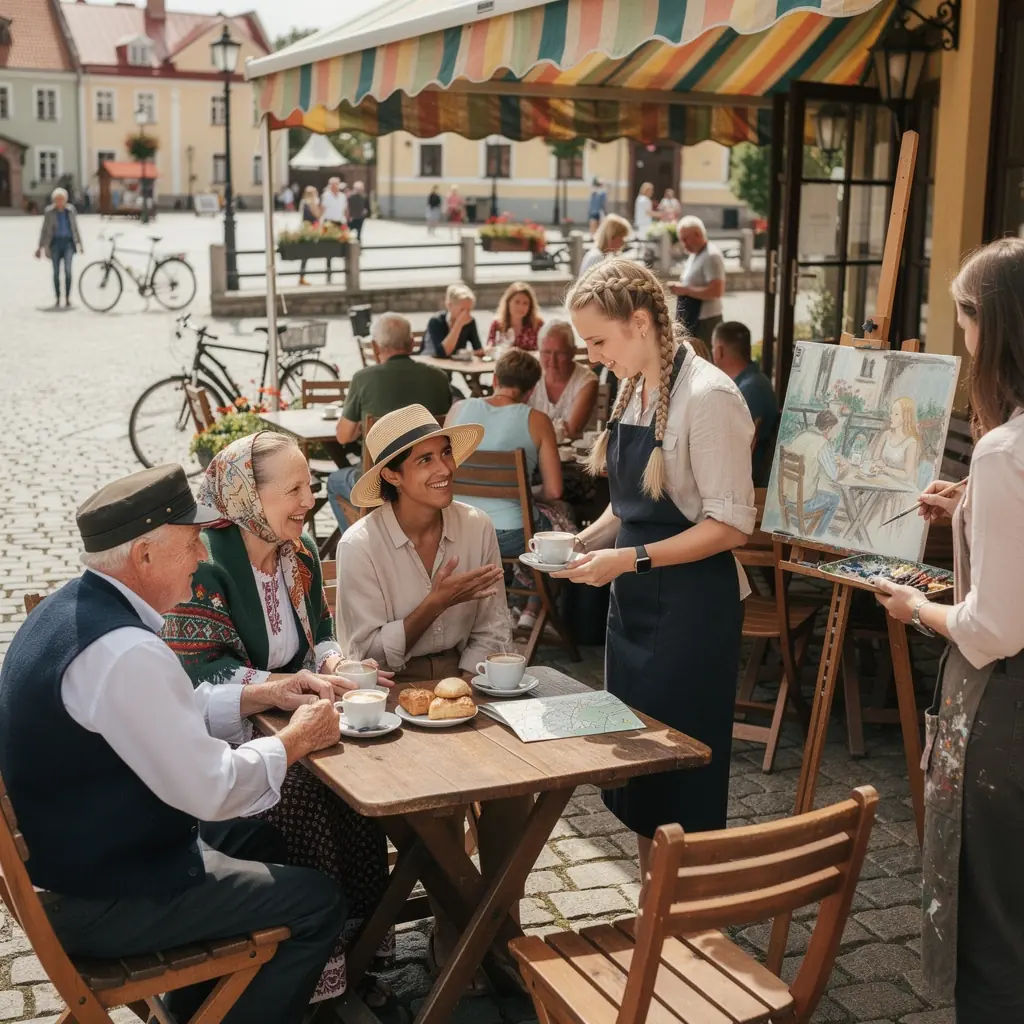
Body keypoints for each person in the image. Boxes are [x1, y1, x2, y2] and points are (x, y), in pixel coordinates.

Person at [0, 464, 349, 1024]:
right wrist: (295, 740)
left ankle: (200, 1011)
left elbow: (161, 717)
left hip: (77, 869)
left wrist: (261, 694)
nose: (202, 557)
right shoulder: (125, 652)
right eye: (190, 543)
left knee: (260, 839)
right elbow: (213, 789)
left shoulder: (69, 612)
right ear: (143, 556)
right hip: (104, 899)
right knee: (317, 902)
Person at [160, 433, 395, 1006]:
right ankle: (313, 970)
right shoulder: (203, 563)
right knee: (308, 797)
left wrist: (335, 663)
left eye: (309, 486)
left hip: (301, 726)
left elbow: (320, 635)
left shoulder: (299, 552)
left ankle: (361, 948)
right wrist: (279, 688)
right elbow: (198, 675)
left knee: (362, 786)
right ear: (247, 497)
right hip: (227, 748)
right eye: (293, 490)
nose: (309, 501)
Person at [553, 259, 755, 882]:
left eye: (598, 342)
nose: (593, 357)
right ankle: (654, 901)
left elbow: (730, 525)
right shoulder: (635, 385)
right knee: (641, 768)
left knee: (681, 777)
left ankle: (685, 911)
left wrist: (629, 558)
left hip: (692, 611)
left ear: (640, 323)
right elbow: (628, 506)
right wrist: (576, 543)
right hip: (635, 604)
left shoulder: (710, 396)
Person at [873, 237, 1024, 1023]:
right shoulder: (1002, 459)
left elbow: (992, 627)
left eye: (963, 321)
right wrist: (970, 504)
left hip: (1004, 708)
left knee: (991, 928)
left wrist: (914, 607)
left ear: (990, 326)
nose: (961, 342)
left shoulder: (1005, 452)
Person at [337, 404, 508, 681]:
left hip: (469, 676)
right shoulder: (359, 546)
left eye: (446, 453)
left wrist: (467, 686)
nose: (445, 469)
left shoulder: (477, 526)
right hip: (389, 686)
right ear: (392, 476)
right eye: (425, 460)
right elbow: (366, 656)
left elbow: (493, 628)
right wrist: (435, 604)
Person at [446, 348, 570, 630]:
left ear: (494, 379)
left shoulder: (458, 409)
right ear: (531, 390)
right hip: (510, 535)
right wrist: (523, 493)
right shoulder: (536, 419)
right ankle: (532, 609)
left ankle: (516, 607)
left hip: (456, 528)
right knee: (561, 523)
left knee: (542, 519)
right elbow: (554, 491)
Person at [326, 313, 453, 519]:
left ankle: (361, 536)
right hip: (429, 475)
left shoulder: (363, 379)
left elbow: (343, 436)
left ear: (376, 347)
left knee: (334, 482)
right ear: (411, 343)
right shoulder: (438, 377)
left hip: (380, 480)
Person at [712, 321, 778, 486]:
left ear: (719, 351)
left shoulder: (748, 391)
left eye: (713, 347)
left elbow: (726, 448)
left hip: (747, 484)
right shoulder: (756, 382)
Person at [528, 319, 598, 442]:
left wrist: (533, 428)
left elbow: (571, 431)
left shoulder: (586, 381)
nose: (552, 361)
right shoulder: (530, 375)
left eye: (560, 353)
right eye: (546, 352)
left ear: (573, 352)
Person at [670, 215, 726, 351]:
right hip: (694, 318)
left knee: (704, 358)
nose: (684, 244)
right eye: (681, 240)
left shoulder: (711, 255)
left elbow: (717, 291)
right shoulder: (696, 254)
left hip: (706, 320)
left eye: (686, 239)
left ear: (698, 234)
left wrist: (685, 290)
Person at [782, 409, 844, 533]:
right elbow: (834, 475)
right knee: (834, 499)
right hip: (803, 503)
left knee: (820, 492)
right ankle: (817, 536)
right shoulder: (822, 443)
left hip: (787, 499)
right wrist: (844, 467)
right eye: (834, 430)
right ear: (828, 428)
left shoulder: (802, 435)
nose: (834, 434)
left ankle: (807, 527)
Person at [35, 187, 82, 309]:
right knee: (56, 272)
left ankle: (67, 297)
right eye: (57, 199)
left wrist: (80, 244)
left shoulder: (70, 210)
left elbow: (75, 228)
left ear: (66, 200)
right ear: (54, 200)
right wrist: (39, 247)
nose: (60, 202)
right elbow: (44, 230)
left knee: (68, 271)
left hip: (68, 244)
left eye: (62, 199)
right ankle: (57, 297)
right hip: (55, 244)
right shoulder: (49, 212)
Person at [423, 284, 483, 359]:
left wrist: (483, 351)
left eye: (469, 310)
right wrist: (458, 325)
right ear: (449, 306)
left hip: (454, 364)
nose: (466, 314)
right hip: (429, 362)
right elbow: (442, 353)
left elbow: (478, 348)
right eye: (462, 310)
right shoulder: (436, 321)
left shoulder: (469, 321)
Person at [486, 281, 544, 351]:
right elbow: (490, 346)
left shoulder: (537, 324)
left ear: (530, 306)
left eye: (525, 303)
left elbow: (544, 350)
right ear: (508, 302)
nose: (521, 307)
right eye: (517, 302)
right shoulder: (497, 324)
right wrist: (489, 349)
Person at [297, 185, 321, 286]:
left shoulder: (303, 202)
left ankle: (302, 277)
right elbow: (317, 215)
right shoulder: (311, 203)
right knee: (307, 254)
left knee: (305, 255)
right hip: (311, 230)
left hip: (306, 228)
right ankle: (302, 277)